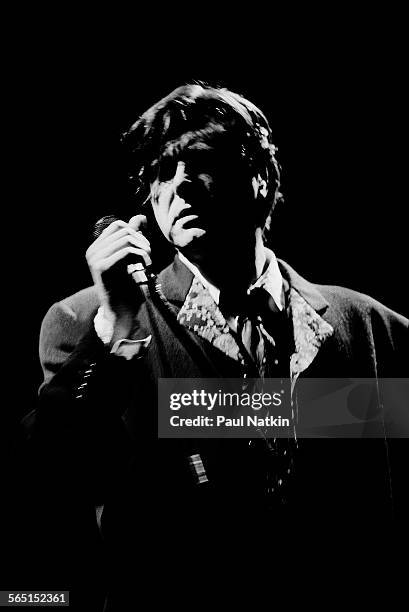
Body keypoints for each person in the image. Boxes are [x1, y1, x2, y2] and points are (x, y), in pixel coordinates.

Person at [29, 83, 408, 606]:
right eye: (162, 172)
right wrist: (119, 329)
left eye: (202, 161)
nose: (180, 186)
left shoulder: (372, 328)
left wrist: (190, 411)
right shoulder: (87, 321)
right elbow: (50, 475)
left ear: (263, 179)